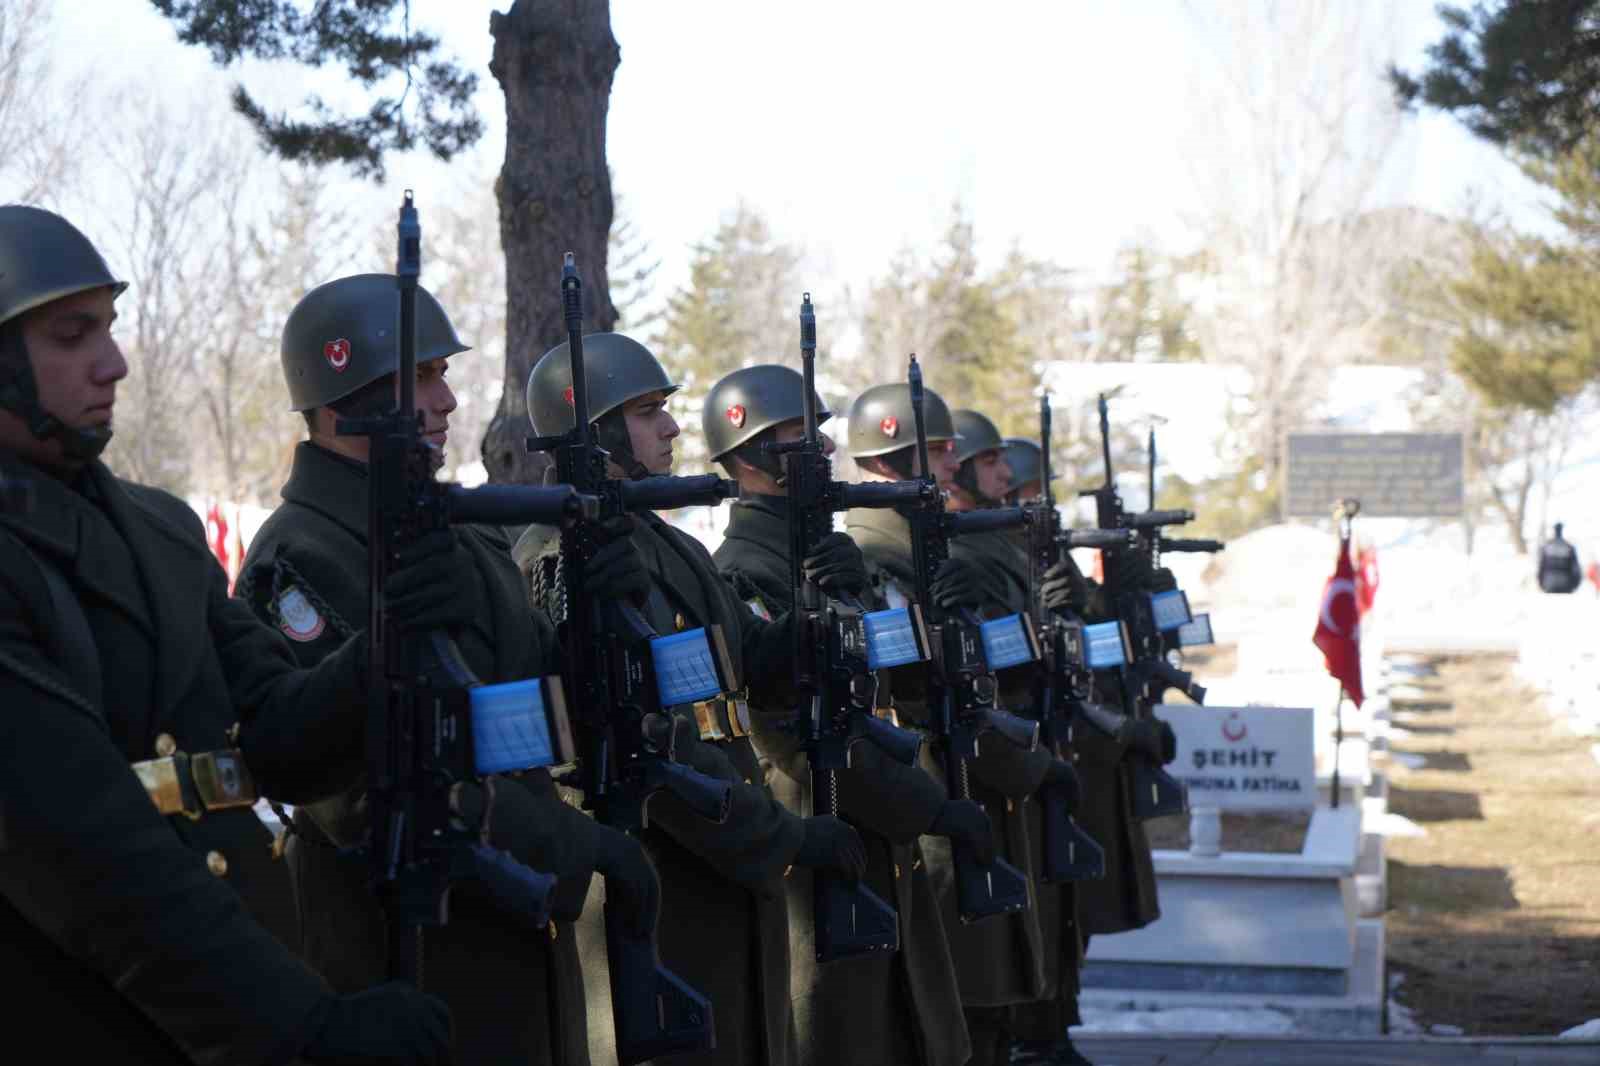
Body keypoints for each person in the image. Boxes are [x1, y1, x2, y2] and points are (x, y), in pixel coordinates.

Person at [0, 206, 456, 1064]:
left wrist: (384, 647)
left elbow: (278, 736)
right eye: (72, 335)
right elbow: (84, 845)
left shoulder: (159, 529)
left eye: (109, 327)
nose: (115, 361)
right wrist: (304, 1026)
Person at [234, 274, 661, 1065]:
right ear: (348, 395)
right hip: (410, 951)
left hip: (520, 934)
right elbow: (353, 796)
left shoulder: (463, 532)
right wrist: (574, 844)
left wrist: (595, 630)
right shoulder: (298, 554)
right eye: (423, 377)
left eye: (443, 375)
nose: (449, 401)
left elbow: (532, 701)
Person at [520, 334, 872, 1066]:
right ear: (594, 431)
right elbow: (640, 734)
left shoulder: (671, 546)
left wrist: (823, 611)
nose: (672, 428)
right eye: (648, 412)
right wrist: (780, 834)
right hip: (661, 869)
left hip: (721, 857)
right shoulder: (556, 554)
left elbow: (746, 666)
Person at [702, 364, 988, 1066]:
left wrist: (910, 612)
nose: (826, 448)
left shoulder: (830, 556)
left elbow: (880, 686)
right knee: (840, 1034)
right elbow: (785, 729)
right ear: (750, 453)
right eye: (801, 435)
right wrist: (926, 806)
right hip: (820, 821)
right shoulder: (742, 570)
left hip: (873, 821)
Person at [843, 382, 1060, 1066]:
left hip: (965, 770)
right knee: (956, 1003)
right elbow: (894, 688)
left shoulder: (928, 548)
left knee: (982, 1001)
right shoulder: (873, 556)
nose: (951, 461)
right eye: (936, 449)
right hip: (931, 786)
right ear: (890, 456)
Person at [1538, 522, 1583, 594]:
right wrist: (1574, 585)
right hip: (1566, 585)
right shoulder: (1569, 547)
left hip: (1549, 585)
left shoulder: (1547, 547)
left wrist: (1541, 584)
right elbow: (1576, 569)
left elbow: (1541, 567)